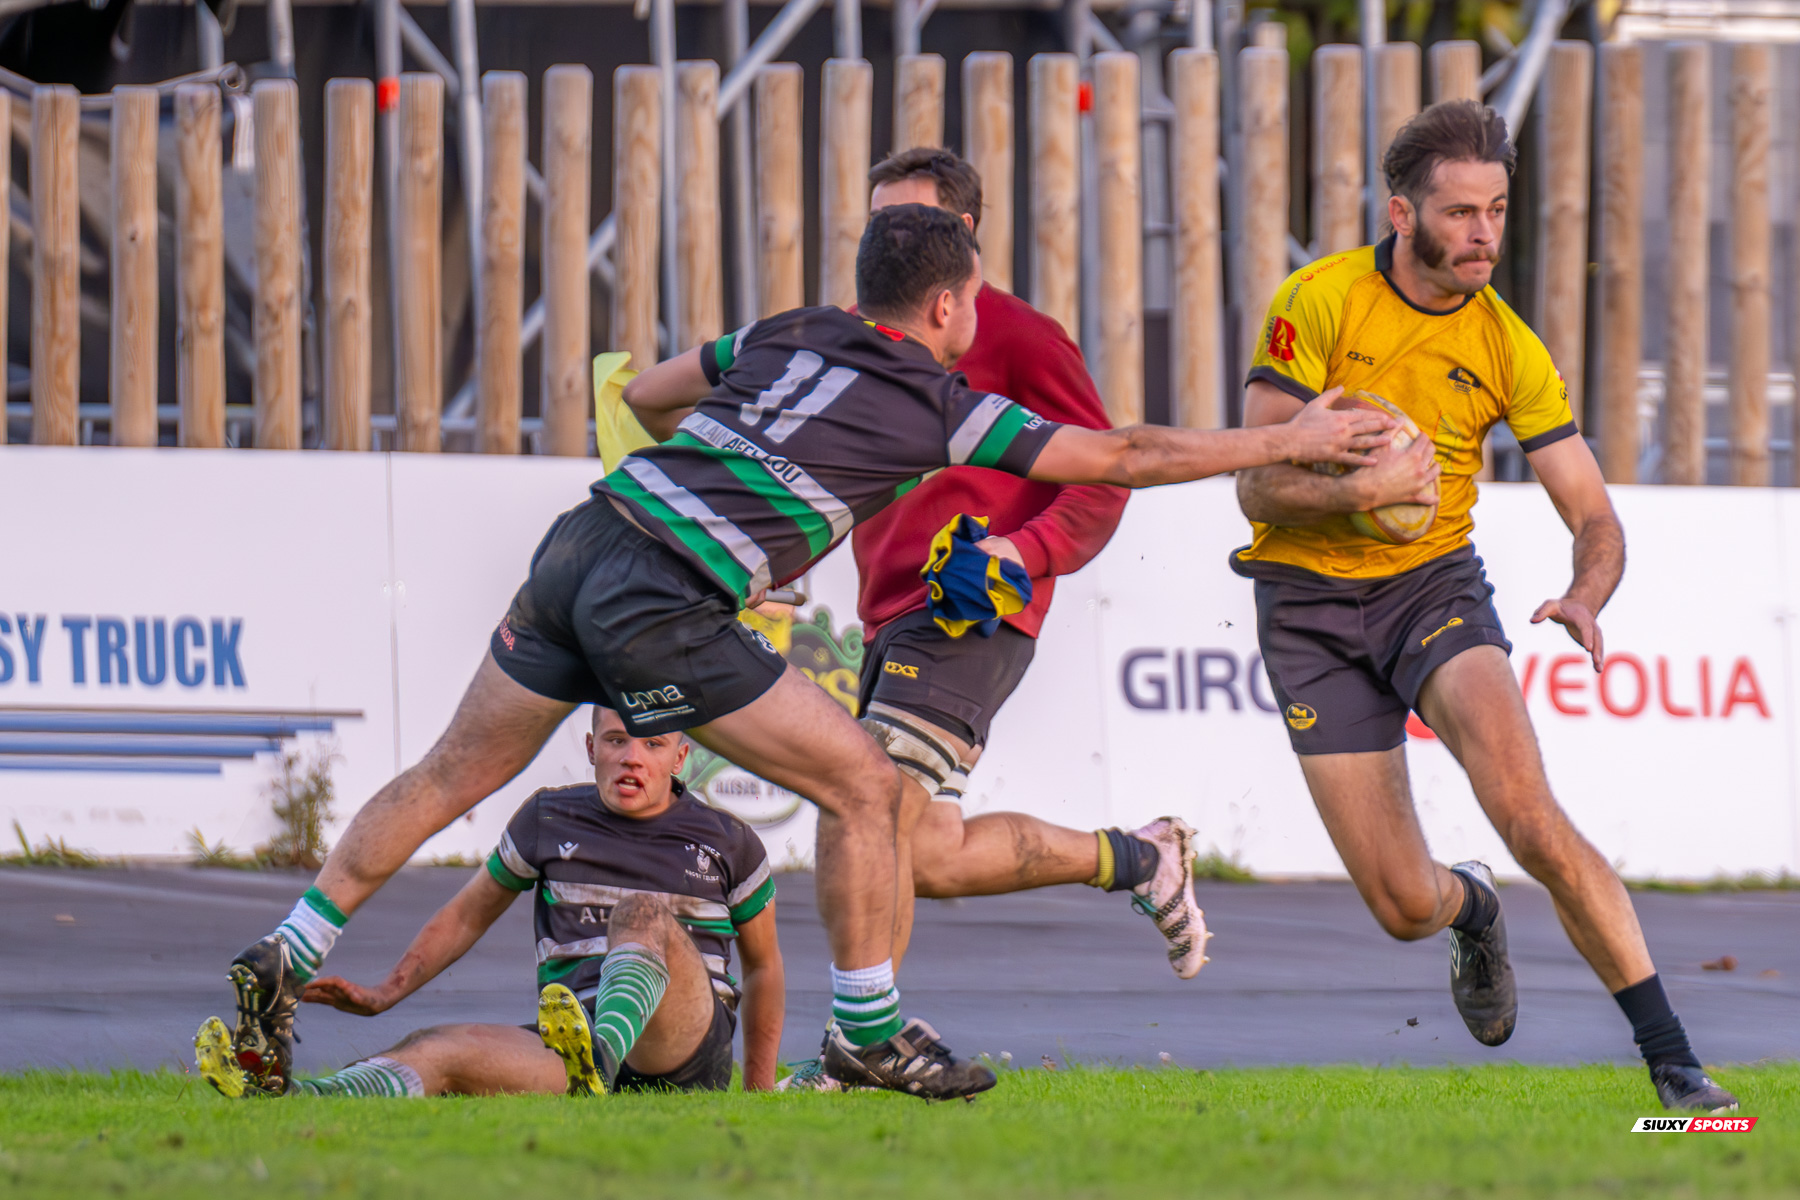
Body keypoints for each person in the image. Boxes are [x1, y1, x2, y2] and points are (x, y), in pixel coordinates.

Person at [222, 200, 1392, 1102]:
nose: (973, 323)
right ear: (945, 307)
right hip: (663, 596)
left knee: (445, 773)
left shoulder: (785, 333)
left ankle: (290, 945)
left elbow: (658, 391)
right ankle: (871, 1036)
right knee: (869, 786)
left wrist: (741, 486)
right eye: (971, 306)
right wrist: (1296, 434)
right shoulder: (938, 399)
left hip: (583, 542)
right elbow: (1123, 454)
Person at [1231, 99, 1734, 1112]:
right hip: (1306, 605)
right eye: (1460, 213)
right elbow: (1254, 482)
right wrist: (1354, 491)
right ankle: (1470, 908)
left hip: (1433, 590)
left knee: (1531, 814)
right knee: (1402, 904)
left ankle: (1673, 1060)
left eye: (1497, 210)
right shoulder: (1319, 301)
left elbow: (1594, 514)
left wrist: (1589, 594)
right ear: (1400, 212)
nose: (1483, 235)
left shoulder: (1509, 344)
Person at [845, 149, 1205, 988]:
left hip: (969, 610)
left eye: (907, 221)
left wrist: (1021, 552)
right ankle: (1140, 859)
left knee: (879, 815)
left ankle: (858, 1049)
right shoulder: (862, 337)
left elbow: (1105, 478)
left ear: (962, 234)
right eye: (875, 225)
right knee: (928, 853)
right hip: (885, 611)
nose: (884, 241)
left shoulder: (1019, 335)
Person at [195, 706, 782, 1098]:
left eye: (652, 743)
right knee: (436, 1048)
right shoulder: (548, 816)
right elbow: (466, 914)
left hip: (681, 1051)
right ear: (590, 746)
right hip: (569, 1047)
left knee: (640, 914)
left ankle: (600, 1054)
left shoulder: (728, 840)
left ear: (680, 757)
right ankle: (287, 1096)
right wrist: (384, 994)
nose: (633, 756)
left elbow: (764, 968)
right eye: (616, 739)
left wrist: (755, 1094)